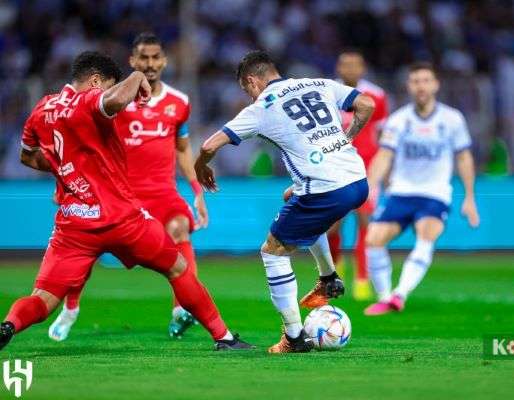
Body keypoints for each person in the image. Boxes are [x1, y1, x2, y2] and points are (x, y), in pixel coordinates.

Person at [0, 51, 252, 351]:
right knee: (178, 268)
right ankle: (223, 337)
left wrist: (63, 168)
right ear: (95, 81)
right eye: (107, 84)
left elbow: (26, 156)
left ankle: (8, 325)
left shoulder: (42, 109)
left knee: (43, 298)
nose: (107, 90)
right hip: (122, 219)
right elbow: (115, 101)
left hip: (74, 226)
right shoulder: (88, 100)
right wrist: (137, 76)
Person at [194, 50, 375, 353]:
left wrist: (201, 167)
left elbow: (209, 144)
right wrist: (347, 138)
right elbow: (365, 105)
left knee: (272, 251)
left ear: (252, 81)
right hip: (357, 180)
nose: (248, 96)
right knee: (297, 201)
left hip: (326, 187)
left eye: (246, 90)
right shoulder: (319, 83)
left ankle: (293, 338)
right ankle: (329, 278)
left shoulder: (262, 106)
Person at [48, 33, 207, 341]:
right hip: (117, 194)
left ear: (164, 60)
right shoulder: (114, 99)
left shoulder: (179, 103)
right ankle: (71, 307)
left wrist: (197, 190)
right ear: (132, 62)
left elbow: (183, 149)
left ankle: (181, 310)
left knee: (179, 229)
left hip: (163, 193)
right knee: (84, 252)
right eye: (143, 58)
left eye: (155, 57)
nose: (150, 64)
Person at [364, 62, 480, 316]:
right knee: (373, 240)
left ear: (436, 85)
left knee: (426, 234)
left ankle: (400, 294)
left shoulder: (452, 119)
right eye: (416, 81)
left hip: (435, 193)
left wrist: (469, 198)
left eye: (426, 80)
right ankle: (385, 298)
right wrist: (371, 186)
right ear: (409, 86)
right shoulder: (398, 120)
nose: (421, 86)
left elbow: (464, 158)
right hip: (402, 192)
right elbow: (384, 156)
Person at [327, 50, 389, 300]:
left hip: (367, 169)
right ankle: (335, 273)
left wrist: (385, 170)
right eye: (345, 64)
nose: (350, 69)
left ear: (363, 68)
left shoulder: (376, 96)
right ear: (338, 68)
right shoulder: (328, 93)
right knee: (332, 225)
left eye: (355, 64)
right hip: (336, 169)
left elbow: (384, 135)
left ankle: (362, 281)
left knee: (365, 222)